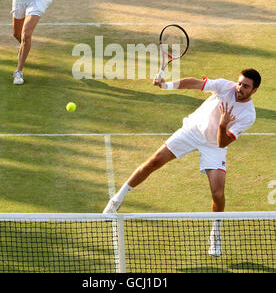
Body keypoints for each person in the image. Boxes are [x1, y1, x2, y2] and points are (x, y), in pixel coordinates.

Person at [103, 68, 261, 256]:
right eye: (240, 83)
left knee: (218, 193)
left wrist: (222, 124)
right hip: (192, 131)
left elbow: (222, 142)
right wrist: (166, 85)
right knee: (154, 161)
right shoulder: (224, 86)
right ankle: (116, 200)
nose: (240, 88)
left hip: (214, 146)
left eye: (246, 87)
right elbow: (194, 83)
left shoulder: (248, 115)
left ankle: (215, 232)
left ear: (254, 90)